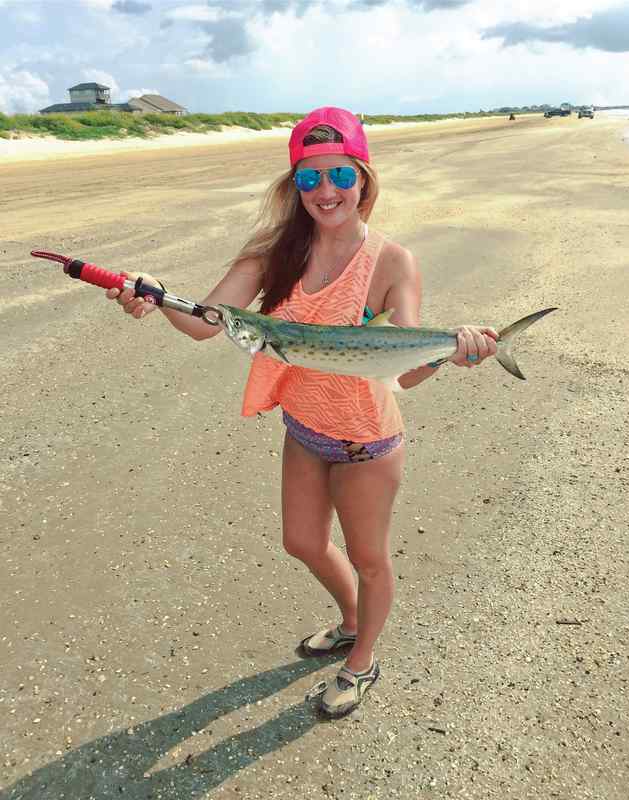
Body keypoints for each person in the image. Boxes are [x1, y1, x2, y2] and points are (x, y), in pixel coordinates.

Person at [106, 106, 498, 719]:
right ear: (294, 186)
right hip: (305, 430)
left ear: (363, 179)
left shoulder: (393, 262)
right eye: (309, 178)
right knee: (303, 543)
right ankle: (350, 622)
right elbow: (206, 325)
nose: (326, 191)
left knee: (370, 559)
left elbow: (408, 371)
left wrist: (457, 353)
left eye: (340, 175)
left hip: (369, 441)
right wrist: (152, 294)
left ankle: (362, 662)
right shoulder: (271, 253)